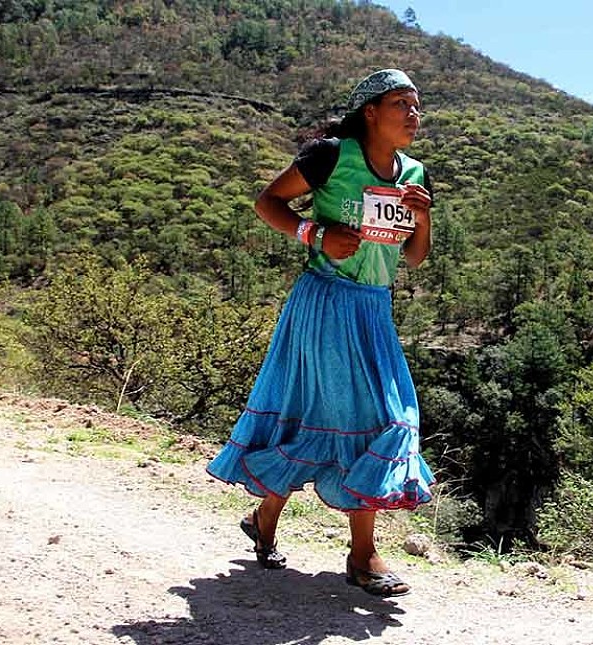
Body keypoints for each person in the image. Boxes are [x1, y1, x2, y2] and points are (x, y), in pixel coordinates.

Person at [206, 69, 435, 598]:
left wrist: (422, 219)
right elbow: (268, 202)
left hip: (374, 309)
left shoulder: (415, 173)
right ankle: (361, 555)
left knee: (385, 418)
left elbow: (416, 258)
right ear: (371, 111)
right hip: (325, 300)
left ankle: (273, 521)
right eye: (401, 103)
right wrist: (315, 233)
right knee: (335, 415)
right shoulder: (331, 155)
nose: (413, 114)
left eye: (417, 105)